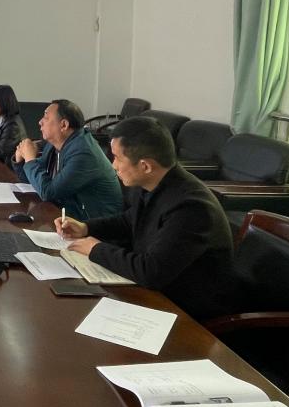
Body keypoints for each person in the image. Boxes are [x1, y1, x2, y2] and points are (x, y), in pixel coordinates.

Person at [56, 116, 238, 321]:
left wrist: (95, 249)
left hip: (188, 313)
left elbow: (151, 272)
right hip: (156, 293)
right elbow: (129, 221)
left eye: (117, 158)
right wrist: (85, 228)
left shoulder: (192, 207)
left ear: (146, 166)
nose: (113, 165)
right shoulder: (154, 183)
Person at [13, 99, 123, 220]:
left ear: (64, 125)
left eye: (46, 117)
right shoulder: (54, 144)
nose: (40, 122)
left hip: (94, 223)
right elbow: (34, 181)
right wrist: (20, 161)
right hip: (68, 212)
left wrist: (30, 160)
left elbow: (48, 192)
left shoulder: (83, 153)